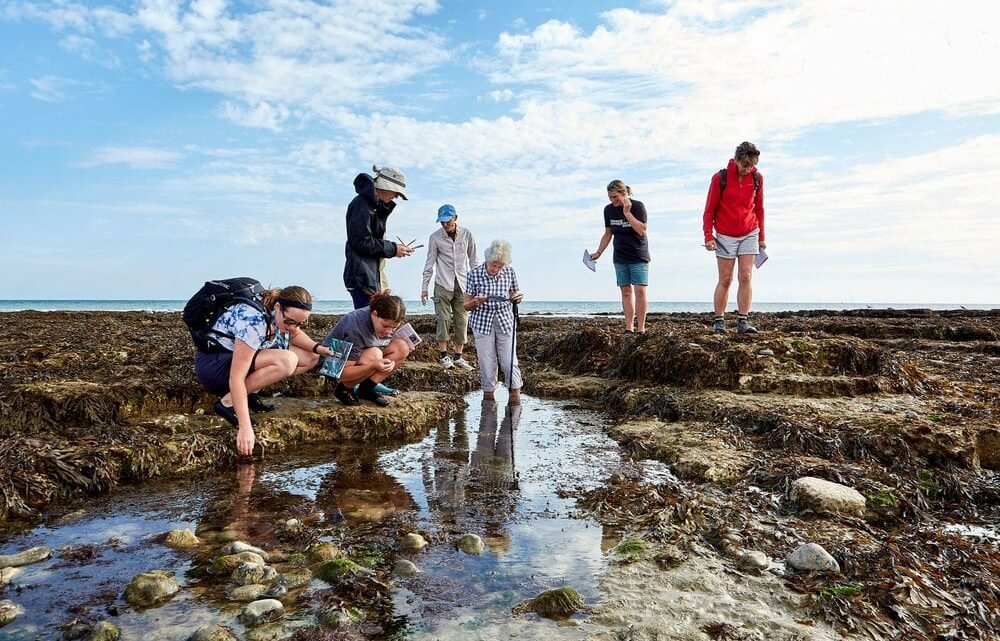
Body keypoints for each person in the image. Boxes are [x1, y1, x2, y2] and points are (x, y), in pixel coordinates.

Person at [194, 285, 335, 456]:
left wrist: (318, 348)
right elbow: (236, 377)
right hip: (215, 366)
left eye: (301, 323)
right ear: (278, 307)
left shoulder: (277, 314)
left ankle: (249, 392)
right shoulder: (254, 321)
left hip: (236, 357)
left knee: (311, 357)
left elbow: (295, 334)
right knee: (287, 360)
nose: (293, 327)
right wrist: (245, 427)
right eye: (290, 321)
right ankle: (226, 403)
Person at [703, 141, 766, 334]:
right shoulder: (720, 178)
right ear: (736, 160)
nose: (748, 169)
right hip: (724, 235)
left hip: (750, 232)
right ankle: (719, 321)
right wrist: (708, 236)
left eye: (751, 165)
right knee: (725, 278)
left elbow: (759, 208)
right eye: (745, 165)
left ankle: (743, 321)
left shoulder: (757, 178)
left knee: (745, 276)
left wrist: (762, 236)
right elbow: (709, 210)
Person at [323, 292, 412, 407]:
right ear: (374, 314)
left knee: (402, 347)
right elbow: (341, 373)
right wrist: (372, 366)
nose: (389, 331)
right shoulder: (355, 327)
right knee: (375, 355)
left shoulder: (380, 322)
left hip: (359, 353)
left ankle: (366, 389)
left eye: (394, 327)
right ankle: (344, 390)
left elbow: (388, 342)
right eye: (385, 326)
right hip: (331, 363)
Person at [343, 165, 412, 310]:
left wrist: (393, 250)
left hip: (372, 276)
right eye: (396, 193)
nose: (396, 197)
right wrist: (393, 249)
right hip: (362, 278)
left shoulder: (373, 206)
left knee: (377, 323)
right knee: (369, 323)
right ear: (385, 187)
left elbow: (370, 242)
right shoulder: (362, 204)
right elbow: (360, 242)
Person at [464, 239, 524, 403]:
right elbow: (466, 306)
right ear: (487, 259)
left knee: (509, 361)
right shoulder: (473, 274)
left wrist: (517, 297)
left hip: (505, 321)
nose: (496, 269)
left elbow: (515, 294)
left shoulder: (510, 272)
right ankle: (488, 398)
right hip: (482, 323)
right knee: (487, 362)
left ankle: (515, 396)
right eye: (493, 265)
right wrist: (475, 302)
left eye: (500, 266)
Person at [421, 204, 478, 371]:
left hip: (463, 284)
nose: (445, 225)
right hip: (442, 284)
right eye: (442, 222)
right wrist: (424, 288)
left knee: (462, 320)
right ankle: (444, 356)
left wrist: (477, 285)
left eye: (448, 221)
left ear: (455, 218)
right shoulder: (435, 237)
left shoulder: (467, 234)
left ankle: (458, 357)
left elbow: (474, 261)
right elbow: (429, 262)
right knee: (443, 319)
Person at [589, 179, 650, 334]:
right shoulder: (608, 210)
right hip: (620, 256)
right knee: (626, 291)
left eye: (615, 197)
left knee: (640, 291)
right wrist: (599, 252)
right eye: (610, 198)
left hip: (638, 255)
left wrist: (627, 213)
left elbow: (641, 230)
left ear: (624, 193)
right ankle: (629, 327)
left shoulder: (638, 206)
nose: (613, 201)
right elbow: (608, 233)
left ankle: (641, 328)